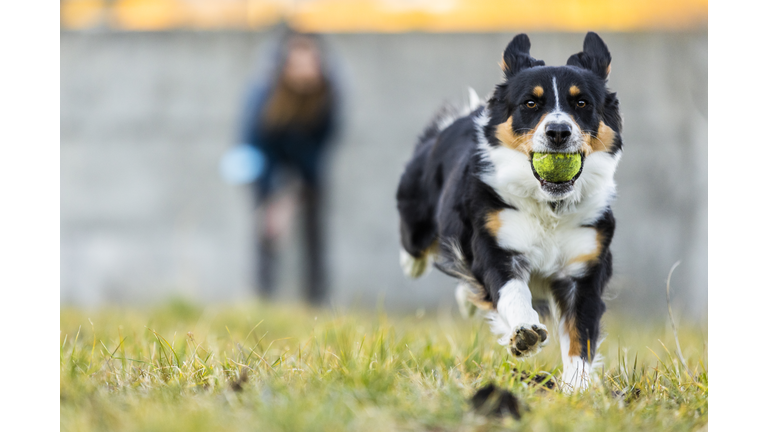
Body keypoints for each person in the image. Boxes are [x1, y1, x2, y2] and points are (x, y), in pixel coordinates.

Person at [237, 29, 340, 305]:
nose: (304, 71)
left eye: (311, 62)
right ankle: (261, 297)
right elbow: (254, 142)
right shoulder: (263, 94)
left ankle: (316, 301)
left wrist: (296, 191)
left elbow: (323, 144)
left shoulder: (329, 94)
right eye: (297, 63)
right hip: (268, 167)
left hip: (308, 169)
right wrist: (275, 195)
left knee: (314, 235)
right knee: (267, 230)